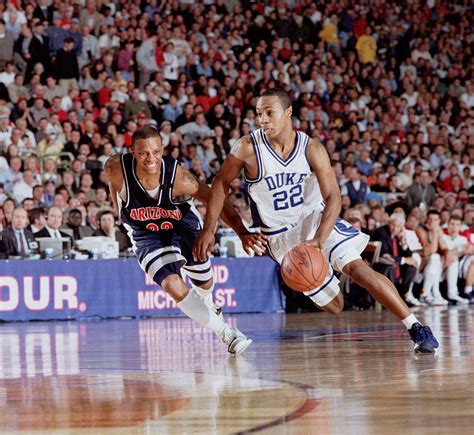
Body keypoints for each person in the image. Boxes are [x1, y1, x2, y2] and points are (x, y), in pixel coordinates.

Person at [194, 88, 439, 354]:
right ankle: (325, 272)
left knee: (359, 269)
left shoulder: (311, 148)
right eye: (259, 114)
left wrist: (321, 239)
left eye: (269, 113)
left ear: (287, 113)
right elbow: (219, 185)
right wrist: (228, 230)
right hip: (280, 238)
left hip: (316, 220)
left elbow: (334, 196)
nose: (262, 119)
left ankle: (416, 327)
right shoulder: (247, 148)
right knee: (336, 306)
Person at [105, 126, 255, 354]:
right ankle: (228, 333)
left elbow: (215, 197)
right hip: (146, 234)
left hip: (181, 224)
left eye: (156, 152)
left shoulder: (179, 177)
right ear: (133, 152)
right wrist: (122, 213)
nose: (151, 158)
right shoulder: (116, 171)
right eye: (144, 153)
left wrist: (238, 232)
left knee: (204, 283)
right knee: (172, 285)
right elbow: (113, 182)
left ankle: (208, 302)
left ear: (162, 149)